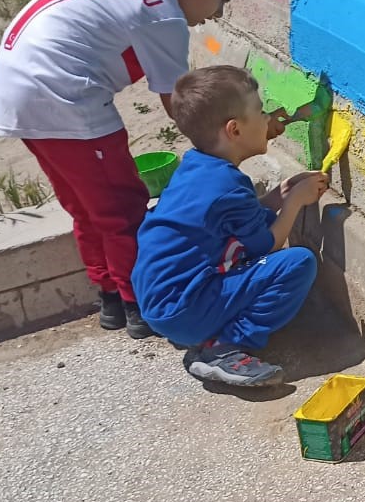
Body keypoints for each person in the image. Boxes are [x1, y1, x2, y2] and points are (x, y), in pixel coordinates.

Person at [0, 0, 253, 340]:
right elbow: (185, 109)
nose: (216, 15)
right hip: (64, 97)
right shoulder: (163, 14)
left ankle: (110, 297)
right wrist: (237, 143)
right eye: (220, 0)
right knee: (122, 207)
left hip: (18, 91)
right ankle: (141, 305)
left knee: (86, 206)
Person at [132, 66, 327, 388]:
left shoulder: (198, 165)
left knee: (258, 240)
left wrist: (279, 196)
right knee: (297, 263)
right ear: (234, 130)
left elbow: (241, 218)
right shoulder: (228, 187)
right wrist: (294, 203)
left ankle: (205, 326)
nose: (269, 119)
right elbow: (267, 244)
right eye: (261, 112)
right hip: (182, 309)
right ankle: (223, 348)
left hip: (160, 301)